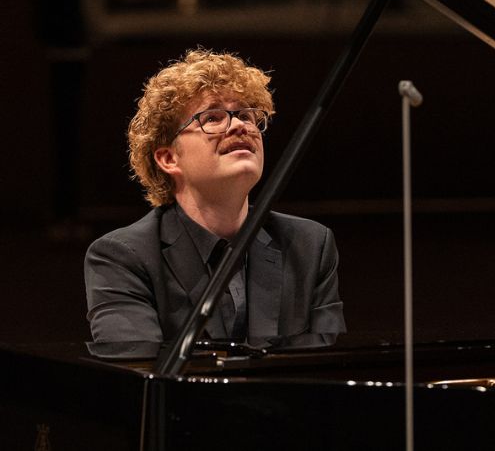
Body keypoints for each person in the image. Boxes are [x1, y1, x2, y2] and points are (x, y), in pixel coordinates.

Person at [84, 49, 345, 343]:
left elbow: (326, 368)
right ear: (169, 159)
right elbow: (142, 375)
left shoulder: (310, 245)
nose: (239, 126)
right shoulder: (123, 257)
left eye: (247, 115)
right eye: (212, 118)